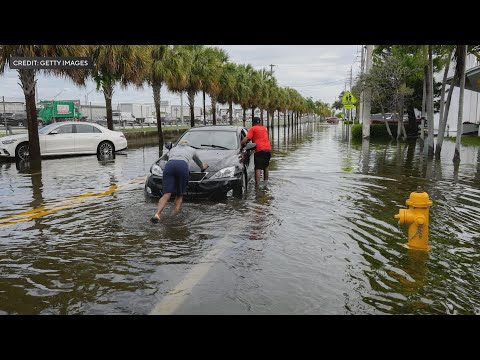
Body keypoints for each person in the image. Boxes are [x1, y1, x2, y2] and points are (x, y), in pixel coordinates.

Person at [151, 139, 208, 223]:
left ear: (179, 145)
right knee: (179, 195)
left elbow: (167, 159)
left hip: (169, 166)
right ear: (188, 145)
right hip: (182, 166)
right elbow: (200, 165)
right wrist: (204, 166)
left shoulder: (173, 149)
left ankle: (157, 214)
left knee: (166, 194)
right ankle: (173, 218)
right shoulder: (192, 150)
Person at [240, 116, 272, 188]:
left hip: (260, 149)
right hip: (268, 149)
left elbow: (246, 139)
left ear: (253, 123)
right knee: (266, 166)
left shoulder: (252, 128)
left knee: (258, 167)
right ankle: (266, 182)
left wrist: (241, 143)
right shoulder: (264, 128)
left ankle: (257, 186)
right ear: (260, 122)